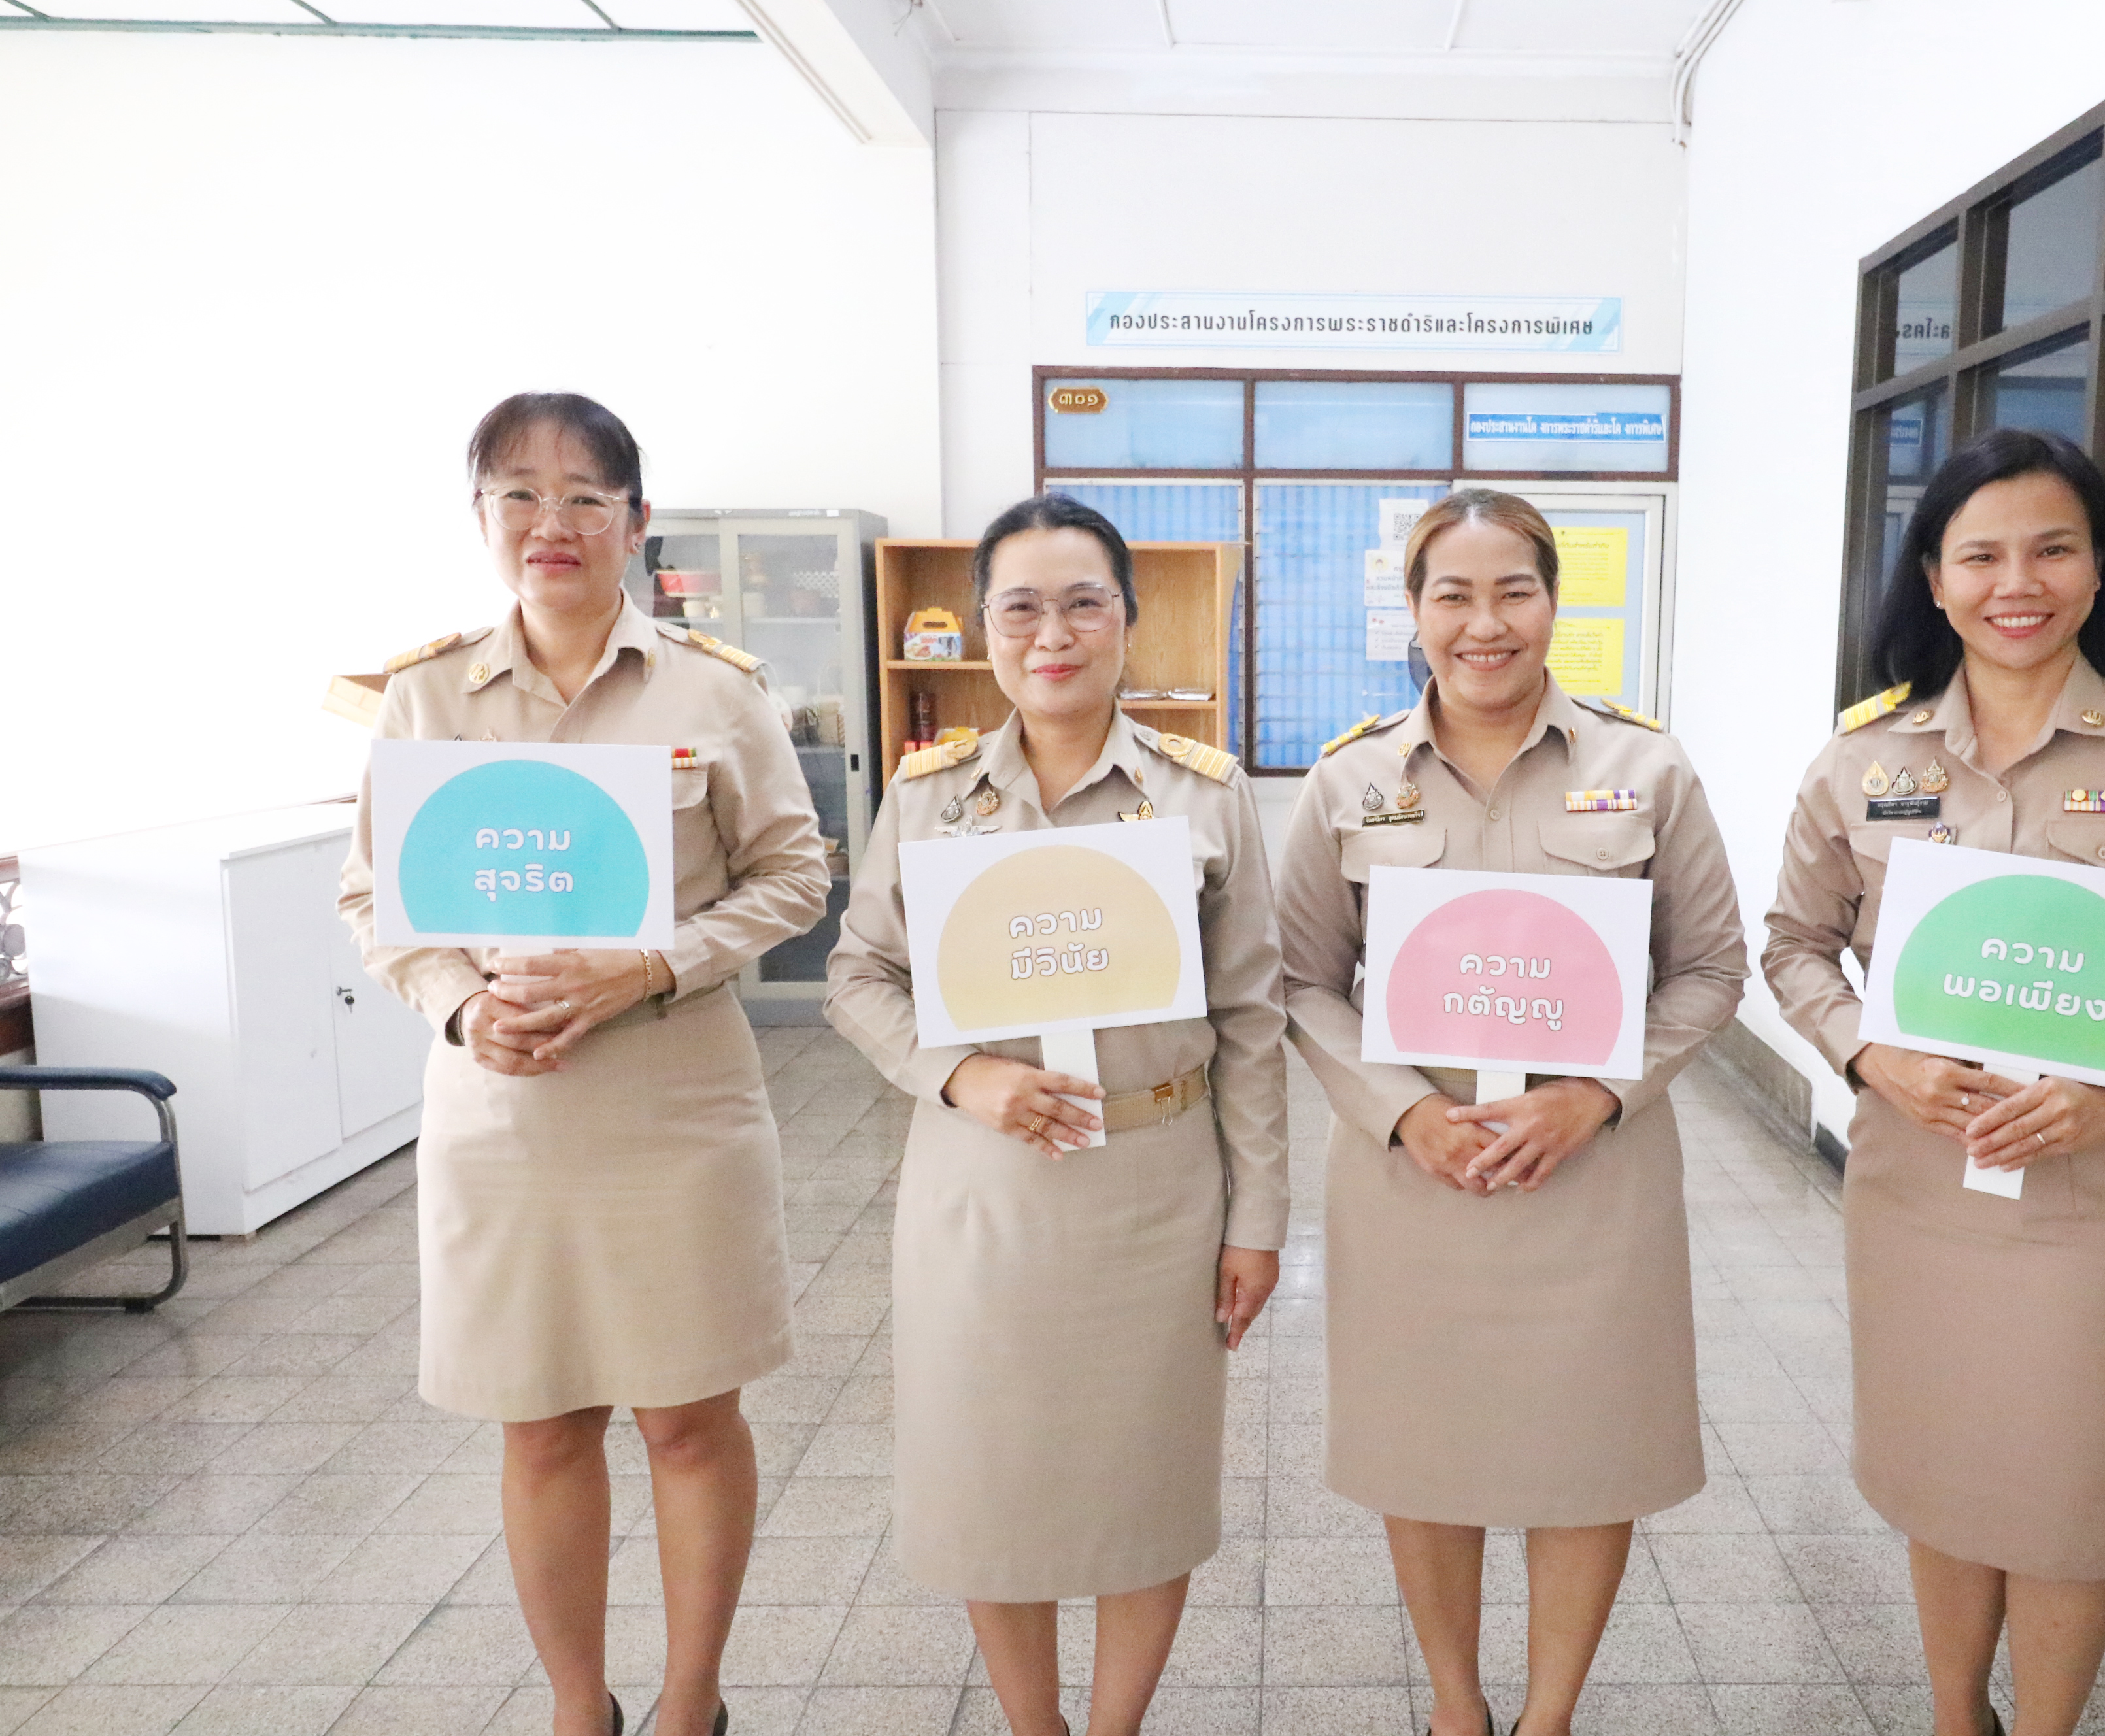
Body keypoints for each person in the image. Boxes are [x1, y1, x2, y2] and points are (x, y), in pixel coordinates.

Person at [1762, 427, 2105, 1736]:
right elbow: (1792, 946)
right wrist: (1867, 1049)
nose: (2020, 580)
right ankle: (1957, 1716)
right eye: (1983, 553)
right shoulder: (1862, 759)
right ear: (1934, 580)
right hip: (1920, 1193)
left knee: (2069, 1498)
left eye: (2054, 548)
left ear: (2101, 571)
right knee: (1945, 1474)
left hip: (2095, 1201)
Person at [339, 393, 830, 1736]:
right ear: (483, 517)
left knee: (685, 1417)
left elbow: (796, 874)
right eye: (518, 493)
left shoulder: (712, 690)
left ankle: (689, 1699)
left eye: (584, 497)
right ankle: (576, 1705)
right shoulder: (426, 697)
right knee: (542, 1420)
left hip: (676, 1099)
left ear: (636, 523)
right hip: (506, 1110)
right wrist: (456, 1007)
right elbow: (375, 900)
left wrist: (654, 959)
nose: (551, 522)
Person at [1279, 488, 1748, 1736]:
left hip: (1592, 1178)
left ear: (1554, 601)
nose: (1485, 624)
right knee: (1421, 1449)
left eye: (1514, 591)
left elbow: (1711, 968)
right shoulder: (1348, 779)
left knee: (1586, 1451)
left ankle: (1547, 1718)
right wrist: (1400, 1115)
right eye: (1454, 595)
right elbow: (1298, 980)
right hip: (1411, 1181)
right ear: (1413, 613)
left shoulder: (1644, 768)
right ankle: (1455, 1707)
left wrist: (1598, 1094)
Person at [823, 494, 1286, 1736]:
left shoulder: (1204, 792)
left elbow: (1253, 1019)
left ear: (1129, 621)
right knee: (994, 1476)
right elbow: (859, 973)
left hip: (1157, 1186)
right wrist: (963, 1076)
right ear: (983, 629)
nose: (1054, 633)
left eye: (1085, 602)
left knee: (1145, 1476)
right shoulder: (931, 797)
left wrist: (1259, 1224)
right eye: (1020, 606)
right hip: (984, 1189)